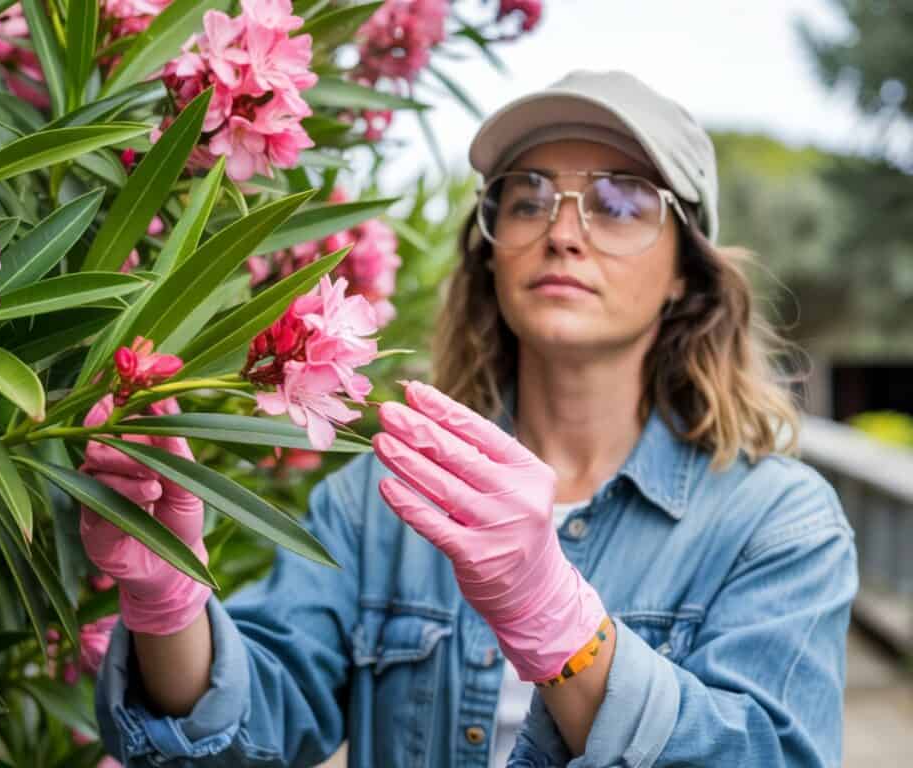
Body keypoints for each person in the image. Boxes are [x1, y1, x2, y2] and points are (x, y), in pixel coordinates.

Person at [83, 69, 858, 767]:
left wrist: (562, 628)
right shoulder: (376, 501)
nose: (562, 231)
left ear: (685, 276)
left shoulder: (779, 524)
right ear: (493, 255)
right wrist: (168, 605)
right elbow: (251, 735)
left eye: (620, 202)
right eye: (526, 197)